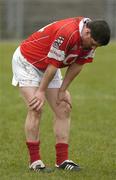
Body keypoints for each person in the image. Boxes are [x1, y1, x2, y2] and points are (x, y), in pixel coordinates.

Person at [12, 16, 110, 172]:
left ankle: (62, 160)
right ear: (87, 32)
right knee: (36, 108)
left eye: (96, 46)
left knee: (63, 107)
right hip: (27, 62)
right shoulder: (68, 32)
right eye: (92, 44)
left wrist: (63, 90)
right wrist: (41, 91)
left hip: (48, 66)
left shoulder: (91, 40)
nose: (93, 48)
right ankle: (35, 162)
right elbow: (53, 65)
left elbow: (78, 64)